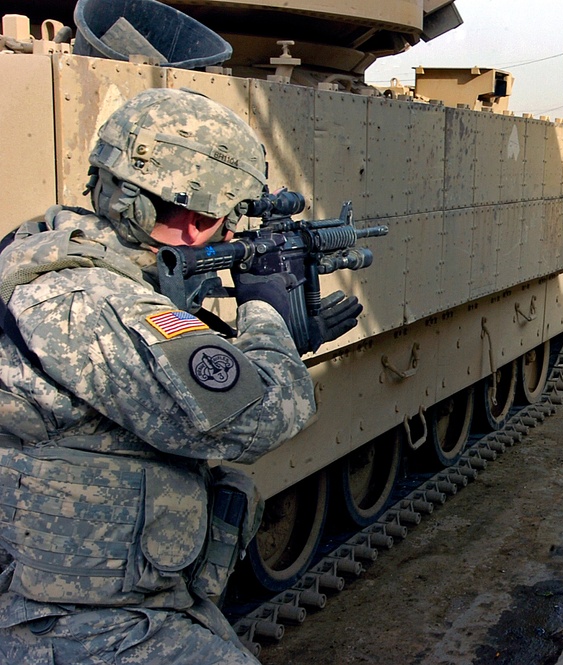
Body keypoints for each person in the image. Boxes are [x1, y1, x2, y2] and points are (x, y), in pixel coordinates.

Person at [0, 87, 360, 663]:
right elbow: (265, 417)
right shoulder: (91, 298)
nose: (217, 235)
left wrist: (266, 344)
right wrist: (267, 317)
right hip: (85, 628)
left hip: (114, 603)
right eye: (218, 218)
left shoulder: (62, 255)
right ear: (193, 222)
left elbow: (165, 360)